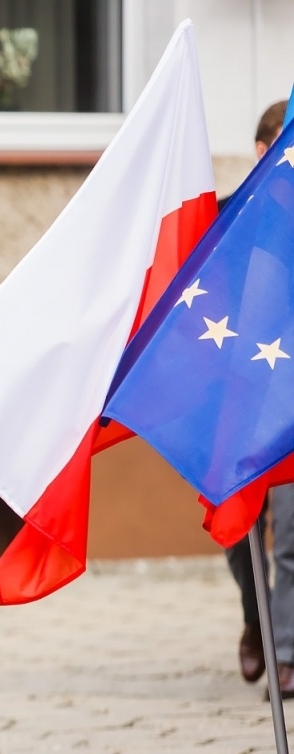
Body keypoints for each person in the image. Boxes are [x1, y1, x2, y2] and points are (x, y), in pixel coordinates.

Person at [224, 99, 294, 695]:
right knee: (237, 529)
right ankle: (257, 622)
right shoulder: (229, 220)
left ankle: (288, 653)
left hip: (289, 398)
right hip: (239, 397)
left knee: (293, 531)